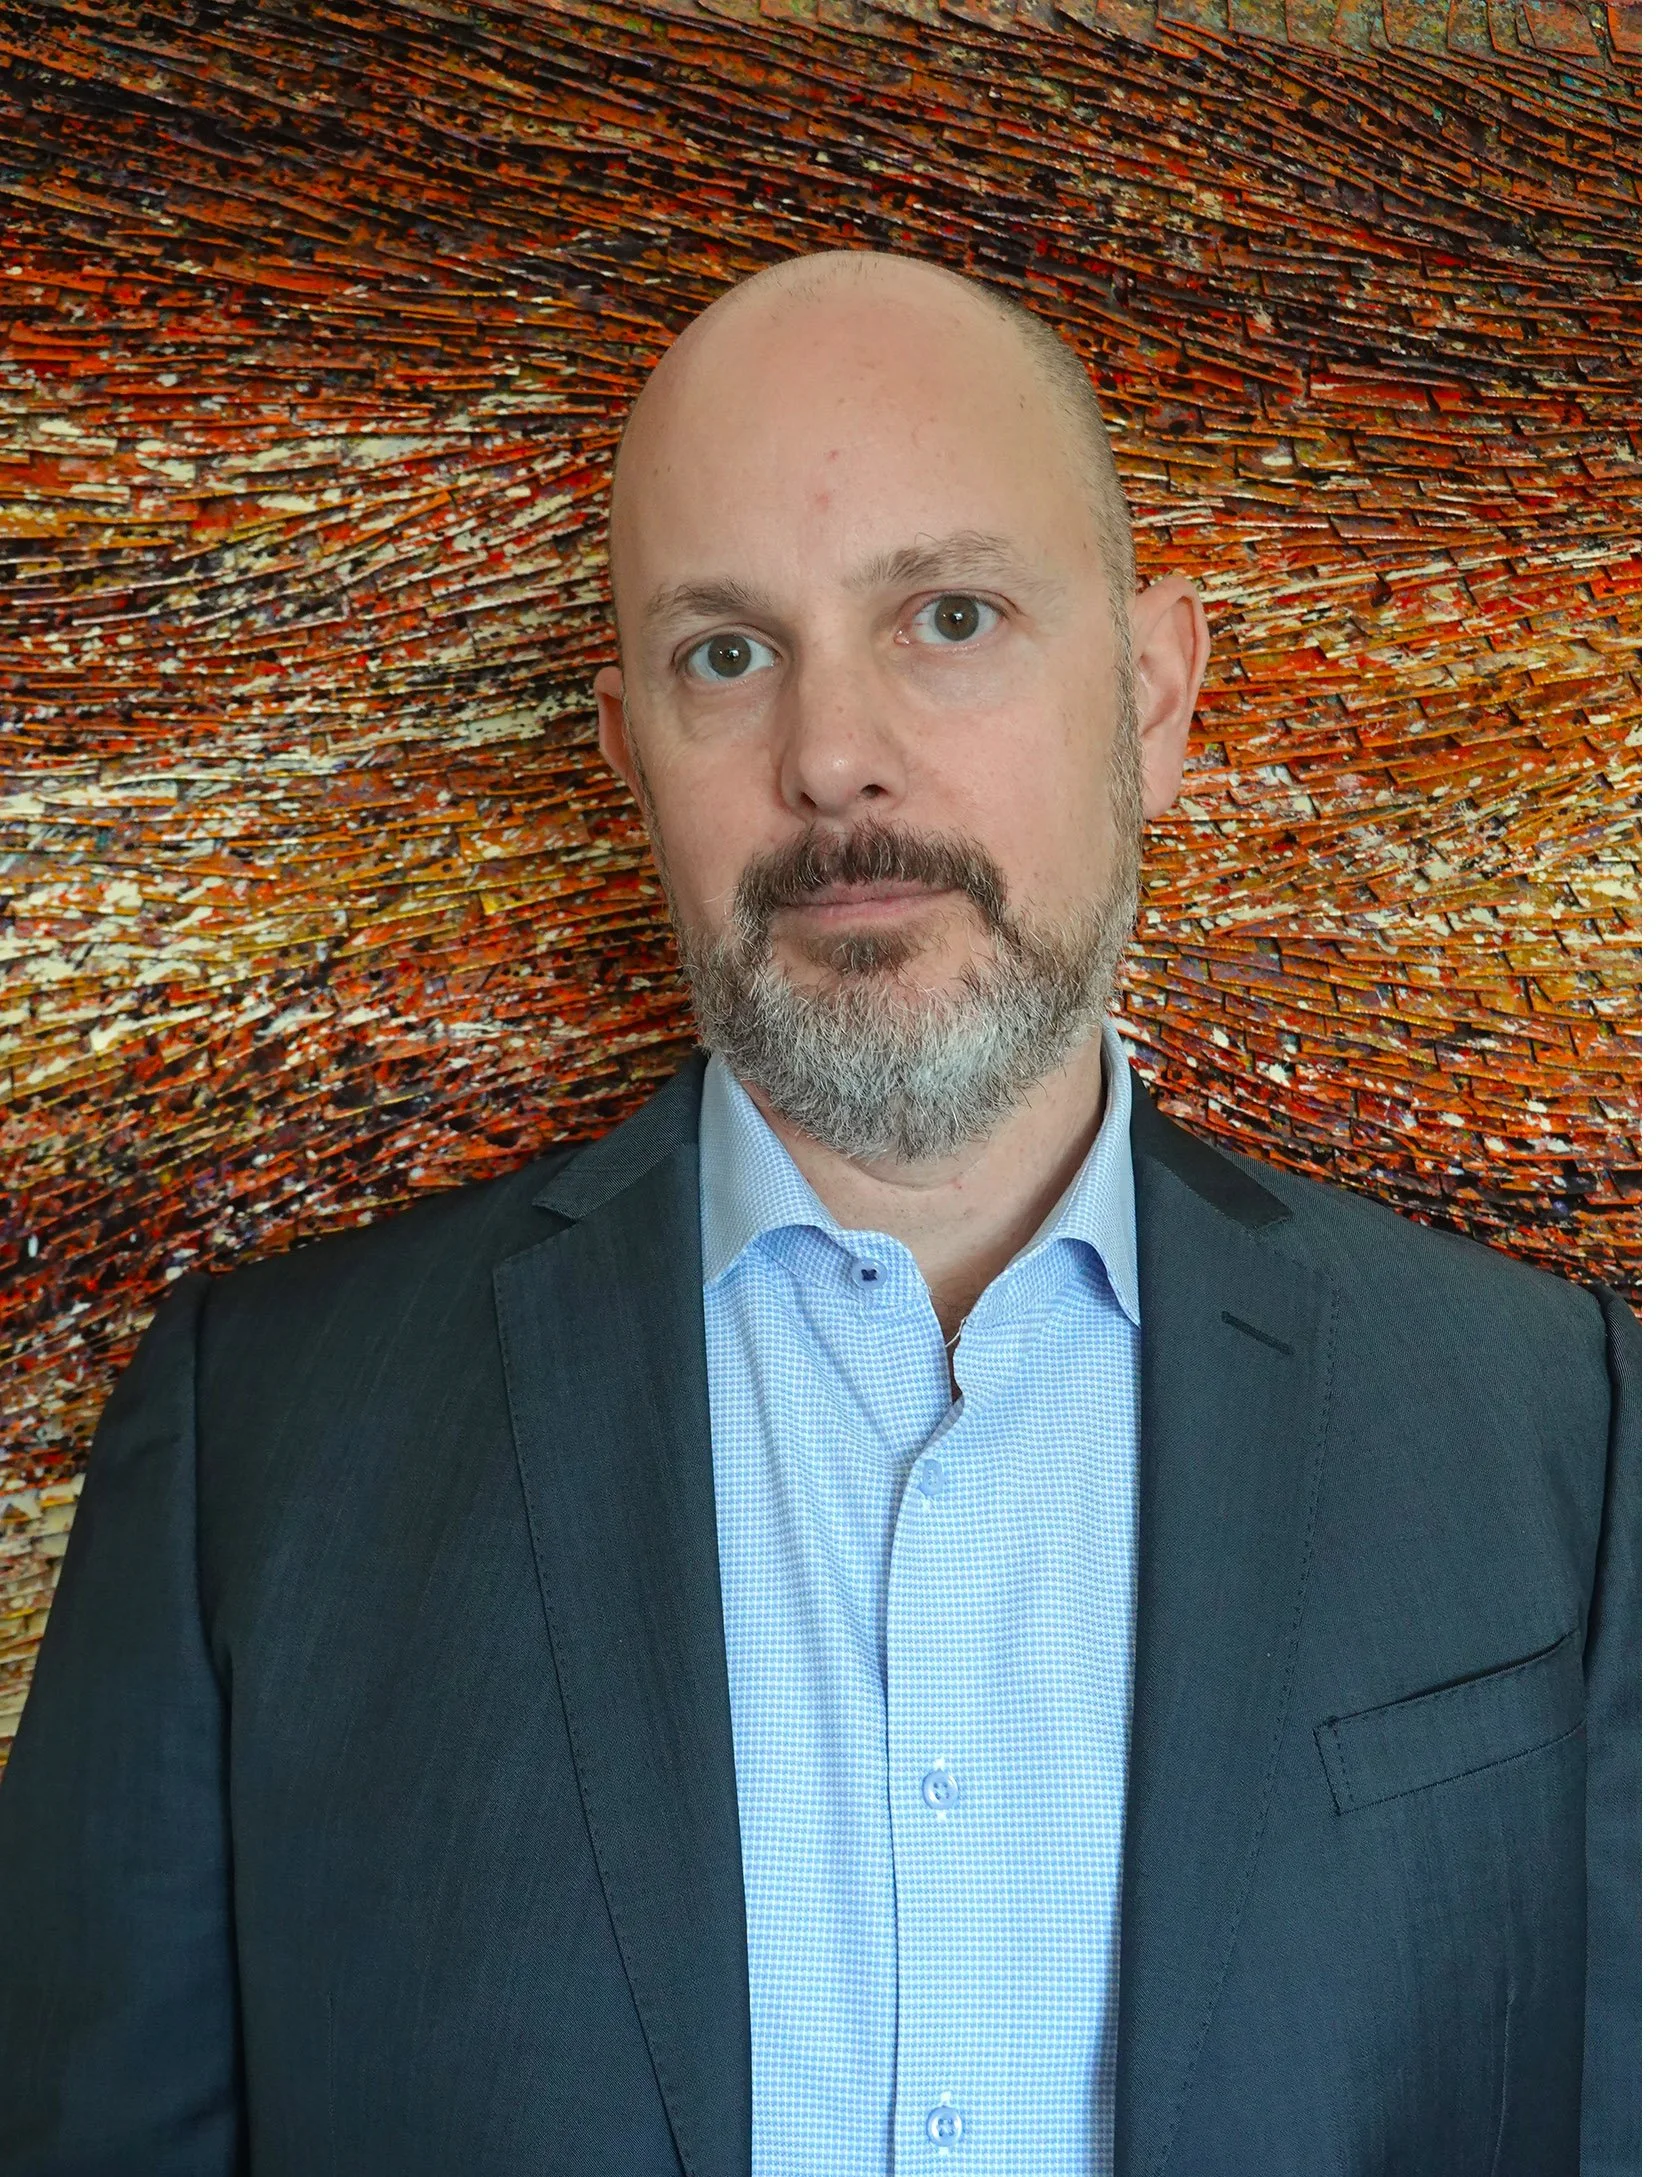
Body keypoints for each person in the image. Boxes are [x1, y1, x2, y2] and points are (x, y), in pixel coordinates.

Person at [0, 250, 1638, 2177]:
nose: (829, 752)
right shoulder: (256, 1446)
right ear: (626, 760)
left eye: (949, 615)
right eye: (724, 651)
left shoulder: (1562, 1424)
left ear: (1158, 696)